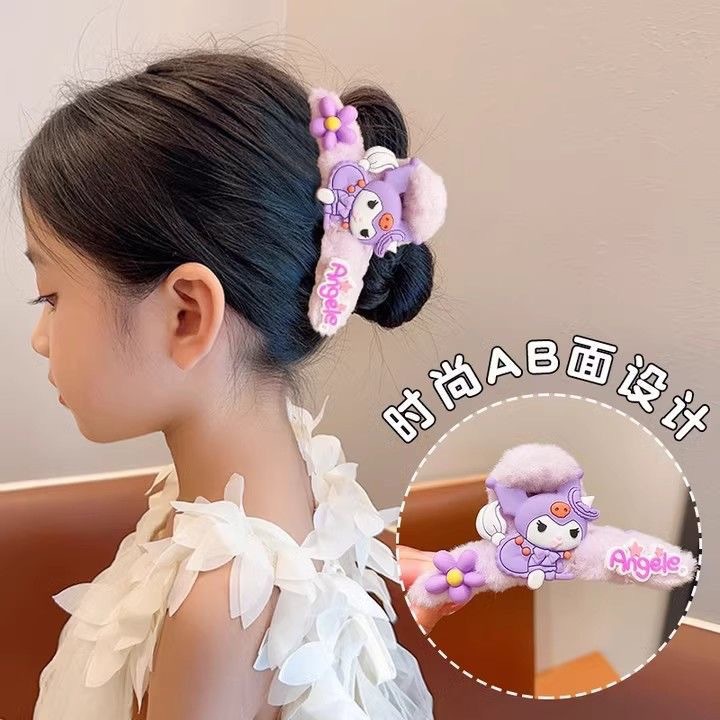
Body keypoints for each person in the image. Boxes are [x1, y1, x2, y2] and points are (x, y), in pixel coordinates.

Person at [19, 48, 439, 720]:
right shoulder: (294, 479)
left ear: (186, 315)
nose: (40, 338)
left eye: (51, 297)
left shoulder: (218, 609)